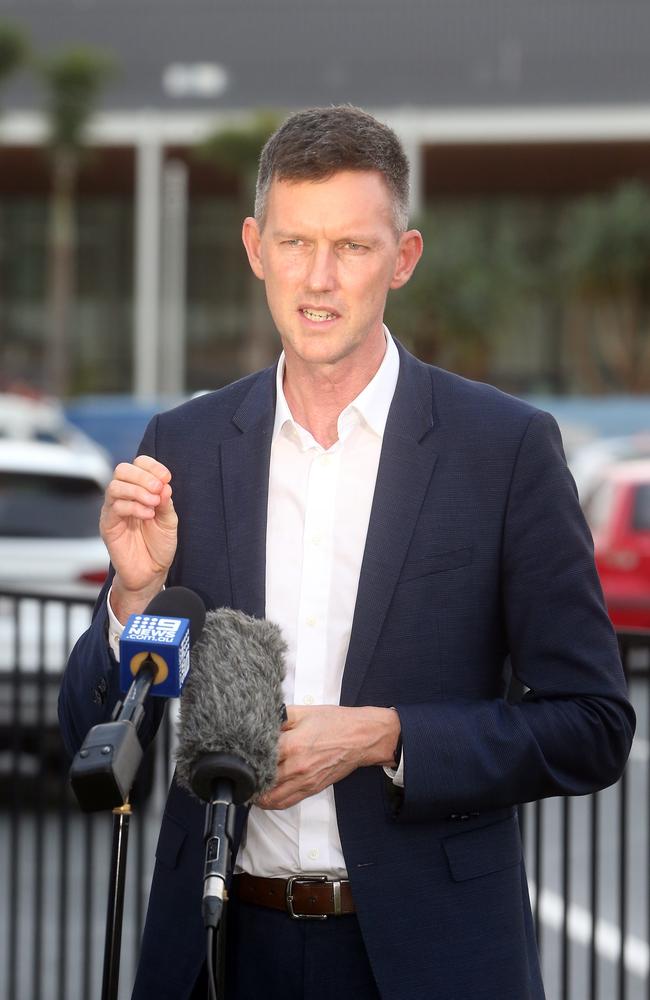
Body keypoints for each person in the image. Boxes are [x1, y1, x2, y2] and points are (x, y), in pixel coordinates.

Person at [59, 106, 634, 1000]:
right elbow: (87, 738)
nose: (318, 280)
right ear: (256, 248)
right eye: (295, 243)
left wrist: (387, 736)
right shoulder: (185, 443)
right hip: (216, 951)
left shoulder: (504, 449)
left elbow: (594, 725)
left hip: (430, 962)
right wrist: (134, 602)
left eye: (352, 248)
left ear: (402, 258)